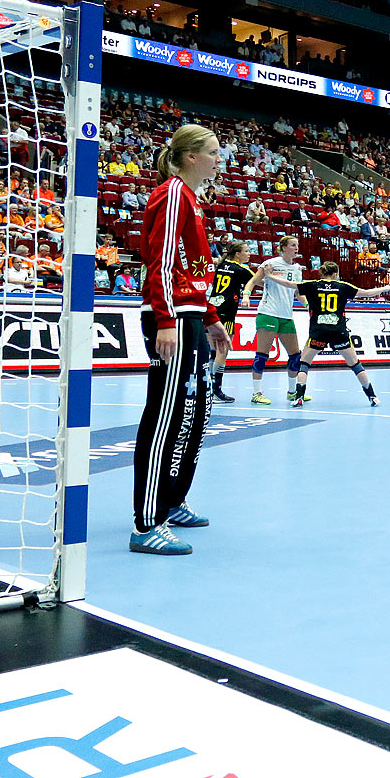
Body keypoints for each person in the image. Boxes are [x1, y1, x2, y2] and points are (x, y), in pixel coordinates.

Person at [131, 124, 230, 556]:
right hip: (170, 320)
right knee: (166, 416)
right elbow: (161, 261)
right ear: (192, 157)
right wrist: (167, 319)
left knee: (195, 409)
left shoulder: (193, 200)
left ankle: (172, 500)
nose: (219, 160)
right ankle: (145, 523)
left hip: (190, 318)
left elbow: (193, 271)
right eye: (213, 153)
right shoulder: (171, 193)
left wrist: (210, 317)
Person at [286, 261, 390, 407]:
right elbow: (367, 293)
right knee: (355, 365)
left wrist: (269, 275)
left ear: (323, 273)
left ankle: (299, 397)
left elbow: (288, 284)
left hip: (319, 331)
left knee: (304, 364)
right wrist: (386, 287)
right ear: (335, 274)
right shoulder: (342, 286)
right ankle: (372, 397)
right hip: (339, 331)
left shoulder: (313, 285)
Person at [240, 235, 308, 405]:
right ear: (284, 247)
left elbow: (298, 293)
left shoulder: (298, 269)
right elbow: (252, 282)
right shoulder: (271, 264)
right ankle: (257, 393)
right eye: (293, 245)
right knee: (262, 355)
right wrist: (246, 296)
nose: (296, 248)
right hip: (268, 313)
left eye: (297, 245)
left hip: (286, 316)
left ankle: (292, 392)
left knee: (295, 355)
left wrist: (308, 305)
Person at [206, 240, 255, 403]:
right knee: (222, 352)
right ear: (238, 254)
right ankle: (216, 390)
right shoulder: (241, 270)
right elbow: (258, 281)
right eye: (246, 251)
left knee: (212, 352)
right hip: (226, 313)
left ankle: (207, 388)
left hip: (211, 311)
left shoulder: (219, 265)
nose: (249, 254)